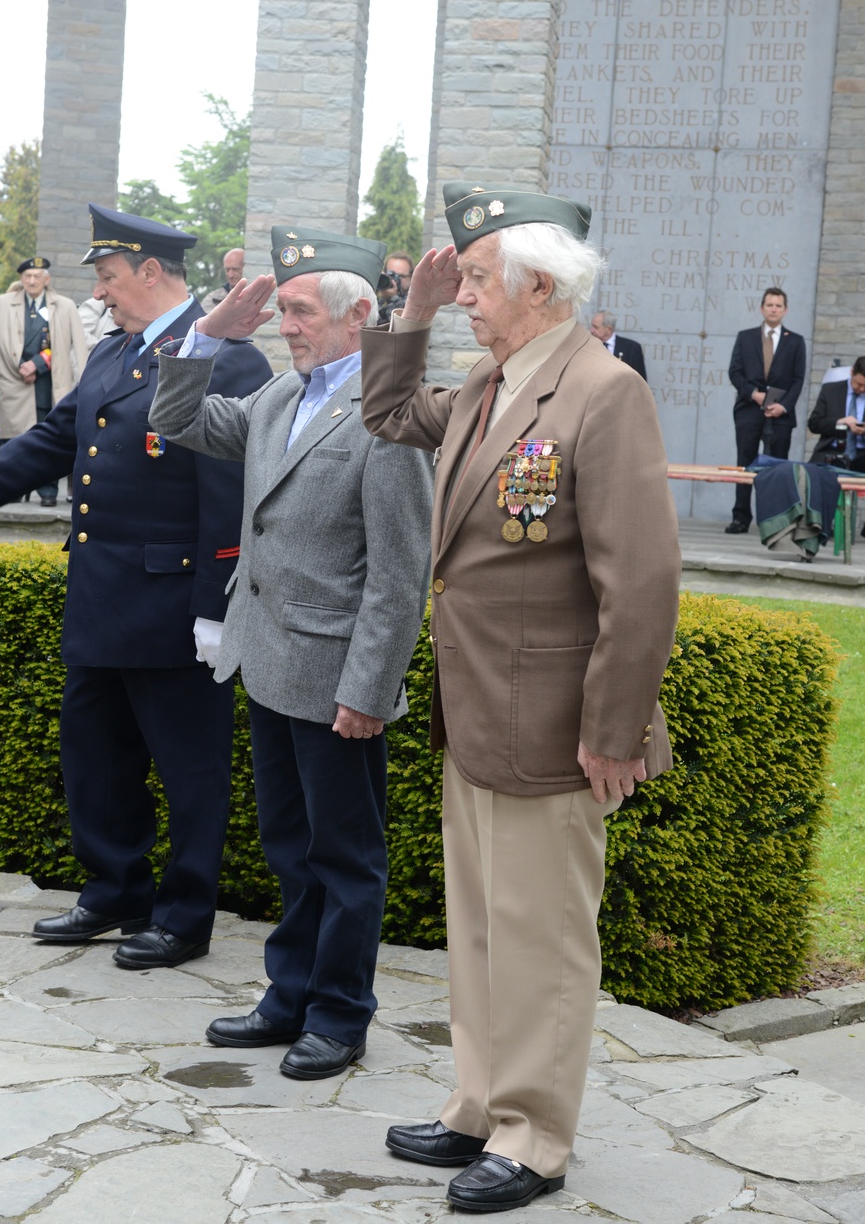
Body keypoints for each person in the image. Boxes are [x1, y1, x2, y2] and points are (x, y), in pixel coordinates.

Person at [358, 183, 680, 1214]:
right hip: (475, 713)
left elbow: (640, 580)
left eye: (480, 279)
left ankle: (535, 1136)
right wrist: (411, 306)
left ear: (541, 284)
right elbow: (386, 410)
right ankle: (478, 1102)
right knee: (484, 926)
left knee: (541, 934)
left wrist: (614, 730)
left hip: (553, 727)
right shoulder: (488, 384)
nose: (466, 296)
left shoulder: (600, 390)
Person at [0, 206, 272, 969]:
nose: (103, 294)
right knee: (95, 756)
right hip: (102, 596)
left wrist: (216, 609)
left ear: (152, 273)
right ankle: (115, 889)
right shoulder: (116, 352)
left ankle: (184, 915)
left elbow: (230, 490)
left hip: (176, 605)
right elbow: (57, 439)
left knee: (190, 770)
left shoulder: (230, 356)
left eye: (110, 278)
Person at [149, 226, 433, 1081]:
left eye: (303, 311)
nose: (289, 325)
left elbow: (399, 574)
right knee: (288, 846)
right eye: (287, 313)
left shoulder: (387, 416)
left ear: (357, 321)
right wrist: (208, 335)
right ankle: (289, 995)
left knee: (345, 857)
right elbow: (176, 417)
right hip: (267, 661)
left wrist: (370, 690)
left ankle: (341, 1015)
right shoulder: (281, 397)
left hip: (338, 679)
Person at [0, 257, 89, 507]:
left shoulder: (64, 306)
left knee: (50, 436)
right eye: (27, 276)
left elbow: (78, 346)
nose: (32, 281)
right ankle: (15, 488)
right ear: (21, 279)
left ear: (47, 279)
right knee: (15, 441)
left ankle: (48, 490)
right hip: (13, 379)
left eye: (37, 276)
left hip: (49, 382)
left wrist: (43, 366)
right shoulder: (2, 303)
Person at [725, 287, 806, 533]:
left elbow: (798, 379)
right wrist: (755, 394)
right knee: (745, 464)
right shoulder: (745, 337)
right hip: (749, 410)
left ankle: (775, 519)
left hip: (780, 415)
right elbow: (735, 372)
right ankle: (740, 517)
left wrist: (783, 406)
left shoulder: (796, 341)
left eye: (778, 306)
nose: (773, 309)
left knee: (777, 468)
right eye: (769, 305)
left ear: (785, 310)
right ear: (762, 308)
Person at [808, 357, 865, 472]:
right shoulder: (830, 390)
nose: (862, 389)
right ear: (852, 372)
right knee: (814, 474)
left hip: (862, 454)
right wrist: (839, 423)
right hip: (831, 449)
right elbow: (814, 423)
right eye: (858, 384)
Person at [589, 310, 647, 380]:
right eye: (592, 326)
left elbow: (640, 381)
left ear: (609, 329)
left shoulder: (632, 348)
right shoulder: (588, 346)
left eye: (596, 327)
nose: (592, 330)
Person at [200, 247, 245, 313]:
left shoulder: (259, 295)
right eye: (227, 270)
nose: (230, 275)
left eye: (235, 269)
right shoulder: (212, 299)